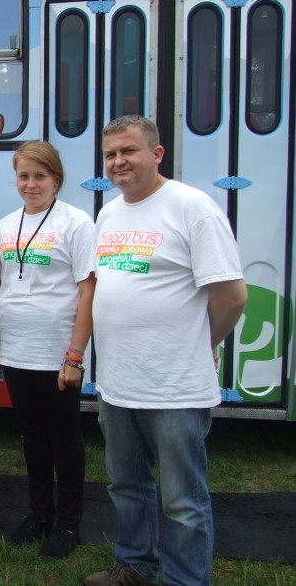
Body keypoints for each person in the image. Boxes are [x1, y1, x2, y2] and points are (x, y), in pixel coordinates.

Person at [84, 116, 247, 586]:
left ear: (157, 155)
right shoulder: (110, 212)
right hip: (117, 382)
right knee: (127, 485)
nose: (118, 162)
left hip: (174, 386)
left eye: (129, 151)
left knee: (182, 500)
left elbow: (232, 296)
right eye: (111, 154)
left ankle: (185, 580)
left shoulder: (193, 208)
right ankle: (135, 565)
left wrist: (203, 343)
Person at [0, 141, 94, 558]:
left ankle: (69, 524)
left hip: (56, 352)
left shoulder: (76, 223)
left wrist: (74, 355)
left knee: (64, 438)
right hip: (16, 351)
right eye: (24, 176)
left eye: (39, 177)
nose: (31, 184)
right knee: (32, 436)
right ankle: (40, 514)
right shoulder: (6, 224)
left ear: (56, 180)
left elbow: (89, 292)